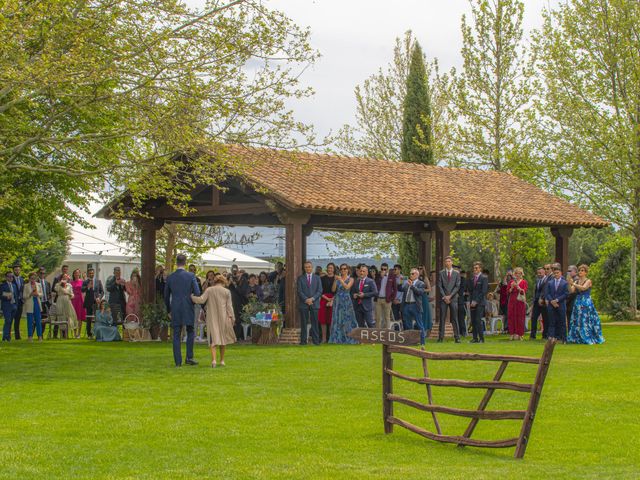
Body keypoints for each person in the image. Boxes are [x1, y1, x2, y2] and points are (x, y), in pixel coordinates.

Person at [191, 274, 236, 367]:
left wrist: (192, 297)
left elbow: (201, 300)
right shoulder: (227, 291)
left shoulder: (209, 290)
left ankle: (214, 360)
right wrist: (232, 317)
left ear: (215, 282)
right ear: (223, 282)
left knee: (214, 339)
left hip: (212, 317)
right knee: (223, 339)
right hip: (224, 317)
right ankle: (222, 361)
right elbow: (229, 306)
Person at [165, 253, 201, 366]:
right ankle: (189, 357)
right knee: (190, 331)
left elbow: (166, 296)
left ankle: (178, 362)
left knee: (176, 334)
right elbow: (197, 292)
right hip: (188, 306)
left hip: (175, 307)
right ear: (185, 262)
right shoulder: (191, 276)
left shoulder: (170, 277)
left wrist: (168, 310)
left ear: (176, 263)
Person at [567, 264, 605, 345]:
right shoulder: (576, 281)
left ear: (586, 272)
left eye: (582, 270)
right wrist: (569, 283)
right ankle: (576, 337)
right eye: (580, 270)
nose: (580, 272)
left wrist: (573, 284)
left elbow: (583, 288)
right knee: (577, 319)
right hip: (578, 301)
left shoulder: (588, 281)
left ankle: (587, 336)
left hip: (586, 301)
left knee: (585, 319)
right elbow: (571, 291)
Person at [329, 264, 358, 344]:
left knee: (348, 318)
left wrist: (340, 280)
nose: (343, 270)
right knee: (338, 318)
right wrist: (335, 280)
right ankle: (337, 338)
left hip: (346, 300)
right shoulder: (337, 279)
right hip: (338, 300)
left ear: (348, 270)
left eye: (345, 269)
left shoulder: (351, 279)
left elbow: (347, 287)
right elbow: (333, 289)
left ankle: (350, 337)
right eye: (341, 269)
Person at [297, 261, 322, 345]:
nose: (308, 268)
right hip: (304, 303)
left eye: (309, 267)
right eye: (306, 267)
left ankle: (316, 341)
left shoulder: (317, 278)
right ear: (304, 268)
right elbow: (299, 291)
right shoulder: (300, 278)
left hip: (314, 303)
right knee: (304, 323)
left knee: (315, 323)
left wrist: (312, 299)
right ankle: (303, 341)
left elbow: (320, 290)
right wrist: (306, 299)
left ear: (312, 267)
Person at [399, 268, 427, 344]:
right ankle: (410, 341)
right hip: (407, 305)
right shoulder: (406, 283)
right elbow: (400, 289)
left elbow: (420, 292)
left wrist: (412, 286)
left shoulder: (421, 283)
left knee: (419, 324)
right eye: (410, 274)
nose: (411, 275)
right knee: (407, 324)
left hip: (415, 305)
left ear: (417, 275)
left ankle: (422, 342)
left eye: (412, 274)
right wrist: (401, 281)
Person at [438, 256, 461, 343]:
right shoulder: (441, 273)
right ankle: (440, 337)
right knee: (442, 318)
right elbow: (439, 286)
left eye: (449, 261)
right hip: (444, 298)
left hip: (453, 298)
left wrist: (450, 296)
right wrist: (445, 296)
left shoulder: (456, 273)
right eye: (446, 261)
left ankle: (457, 337)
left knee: (454, 318)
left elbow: (457, 286)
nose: (447, 263)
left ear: (452, 262)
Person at [545, 263, 569, 343]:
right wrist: (551, 301)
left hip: (560, 304)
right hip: (551, 305)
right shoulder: (550, 283)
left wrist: (557, 300)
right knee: (552, 322)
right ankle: (551, 338)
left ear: (561, 273)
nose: (556, 274)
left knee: (562, 322)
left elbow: (566, 294)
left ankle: (563, 338)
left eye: (557, 273)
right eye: (555, 273)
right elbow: (547, 293)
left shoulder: (565, 283)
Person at [468, 262, 488, 343]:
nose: (475, 269)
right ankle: (475, 338)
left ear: (480, 269)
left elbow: (483, 291)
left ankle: (481, 338)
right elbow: (471, 291)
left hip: (480, 302)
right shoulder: (472, 279)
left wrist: (476, 301)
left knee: (478, 320)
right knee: (473, 320)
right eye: (474, 268)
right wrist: (471, 301)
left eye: (476, 268)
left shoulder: (484, 278)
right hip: (472, 302)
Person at [82, 268, 104, 339]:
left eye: (92, 273)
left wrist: (99, 298)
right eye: (90, 273)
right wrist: (88, 287)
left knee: (97, 318)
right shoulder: (85, 282)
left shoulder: (98, 281)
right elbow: (82, 290)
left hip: (97, 303)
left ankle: (97, 333)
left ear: (94, 273)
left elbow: (102, 291)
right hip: (89, 302)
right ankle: (89, 334)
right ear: (88, 274)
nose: (91, 274)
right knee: (89, 319)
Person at [507, 267, 528, 340]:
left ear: (522, 274)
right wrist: (512, 287)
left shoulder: (524, 282)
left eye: (519, 273)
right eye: (516, 273)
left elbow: (524, 291)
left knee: (520, 317)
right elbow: (508, 292)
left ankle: (520, 334)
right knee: (511, 316)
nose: (517, 275)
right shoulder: (511, 282)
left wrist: (519, 288)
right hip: (512, 301)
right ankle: (512, 333)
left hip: (520, 301)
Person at [375, 263, 397, 330]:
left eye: (385, 269)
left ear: (387, 269)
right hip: (378, 299)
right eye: (382, 269)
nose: (383, 270)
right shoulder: (378, 276)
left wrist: (391, 298)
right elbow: (375, 285)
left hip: (387, 300)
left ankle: (387, 333)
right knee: (378, 317)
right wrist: (381, 277)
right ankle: (378, 333)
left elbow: (395, 289)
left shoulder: (391, 276)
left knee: (387, 317)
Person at [55, 274, 78, 338]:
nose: (65, 278)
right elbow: (56, 289)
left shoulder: (69, 285)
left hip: (67, 301)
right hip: (60, 301)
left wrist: (72, 295)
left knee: (70, 315)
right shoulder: (58, 284)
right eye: (63, 277)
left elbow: (72, 293)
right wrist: (60, 283)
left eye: (66, 277)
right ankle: (63, 334)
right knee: (61, 316)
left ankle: (71, 332)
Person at [319, 263, 337, 343]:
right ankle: (324, 338)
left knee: (331, 320)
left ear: (334, 269)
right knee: (323, 320)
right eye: (328, 268)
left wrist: (332, 299)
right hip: (324, 299)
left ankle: (331, 338)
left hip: (334, 299)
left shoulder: (337, 278)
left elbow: (337, 291)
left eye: (331, 268)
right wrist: (327, 299)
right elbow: (319, 290)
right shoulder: (322, 278)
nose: (330, 269)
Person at [23, 272, 44, 342]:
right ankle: (30, 336)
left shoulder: (39, 284)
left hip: (37, 304)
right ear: (29, 278)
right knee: (30, 321)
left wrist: (38, 294)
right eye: (31, 278)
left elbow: (42, 294)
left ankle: (40, 336)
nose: (33, 280)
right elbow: (24, 296)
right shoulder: (26, 286)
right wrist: (30, 294)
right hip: (29, 304)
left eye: (34, 278)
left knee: (38, 321)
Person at [530, 267, 549, 340]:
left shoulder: (547, 280)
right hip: (536, 302)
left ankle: (545, 335)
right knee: (533, 318)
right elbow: (536, 291)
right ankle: (532, 335)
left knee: (545, 318)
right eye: (538, 273)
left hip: (543, 302)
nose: (539, 274)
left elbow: (545, 291)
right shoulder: (537, 280)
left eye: (540, 273)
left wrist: (543, 298)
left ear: (544, 272)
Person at [1, 272, 18, 341]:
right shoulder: (2, 285)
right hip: (6, 305)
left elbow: (16, 295)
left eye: (12, 276)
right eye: (9, 276)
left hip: (14, 305)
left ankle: (7, 336)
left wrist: (16, 305)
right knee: (7, 320)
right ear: (6, 277)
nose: (11, 278)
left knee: (10, 321)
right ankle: (6, 336)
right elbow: (1, 295)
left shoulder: (14, 285)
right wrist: (6, 297)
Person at [70, 269, 86, 338]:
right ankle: (74, 333)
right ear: (73, 274)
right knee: (74, 317)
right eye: (75, 273)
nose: (76, 274)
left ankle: (79, 333)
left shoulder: (82, 282)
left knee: (79, 317)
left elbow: (85, 290)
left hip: (80, 300)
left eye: (77, 273)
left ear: (79, 274)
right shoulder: (71, 282)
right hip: (73, 300)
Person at [418, 266, 433, 336]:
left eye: (421, 268)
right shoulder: (415, 278)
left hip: (423, 298)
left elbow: (429, 289)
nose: (419, 270)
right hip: (417, 298)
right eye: (418, 268)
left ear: (423, 270)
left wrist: (422, 290)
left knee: (425, 314)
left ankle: (426, 331)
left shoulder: (425, 278)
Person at [11, 262, 24, 340]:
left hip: (20, 302)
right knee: (10, 319)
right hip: (13, 302)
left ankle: (17, 336)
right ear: (13, 271)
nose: (17, 271)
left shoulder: (22, 279)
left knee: (18, 319)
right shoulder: (11, 279)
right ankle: (7, 335)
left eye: (18, 270)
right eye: (16, 270)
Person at [566, 265, 579, 333]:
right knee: (569, 319)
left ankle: (572, 334)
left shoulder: (576, 279)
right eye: (568, 271)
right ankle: (570, 334)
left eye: (570, 271)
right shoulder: (570, 279)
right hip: (570, 302)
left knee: (572, 319)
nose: (568, 272)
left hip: (573, 302)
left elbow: (572, 292)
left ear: (575, 271)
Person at [456, 269, 468, 337]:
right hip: (453, 299)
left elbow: (462, 289)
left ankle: (463, 332)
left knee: (461, 317)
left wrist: (458, 294)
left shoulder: (462, 279)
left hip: (460, 300)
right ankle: (457, 332)